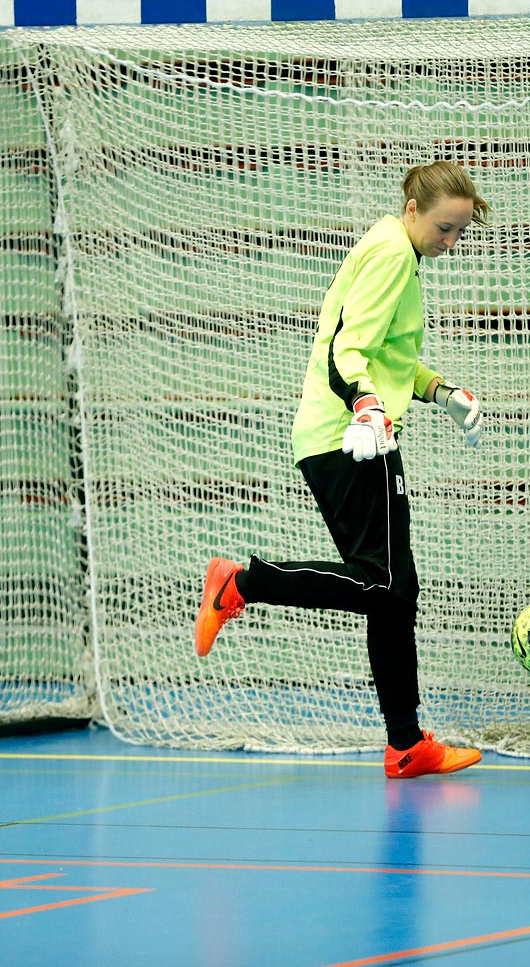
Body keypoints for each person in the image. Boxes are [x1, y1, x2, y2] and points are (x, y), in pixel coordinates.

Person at [193, 160, 490, 779]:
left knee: (394, 594)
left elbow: (387, 355)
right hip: (351, 437)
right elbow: (344, 350)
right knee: (383, 585)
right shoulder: (390, 255)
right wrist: (365, 405)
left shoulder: (395, 251)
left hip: (355, 431)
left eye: (460, 232)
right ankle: (244, 583)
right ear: (413, 210)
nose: (451, 243)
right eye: (444, 229)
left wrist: (439, 390)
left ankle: (406, 744)